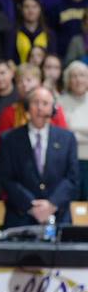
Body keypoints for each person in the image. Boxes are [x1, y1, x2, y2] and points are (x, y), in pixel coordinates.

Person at [0, 86, 79, 227]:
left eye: (45, 103)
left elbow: (73, 178)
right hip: (20, 216)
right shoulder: (9, 138)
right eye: (36, 102)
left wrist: (52, 204)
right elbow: (6, 178)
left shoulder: (67, 138)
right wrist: (31, 205)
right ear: (27, 107)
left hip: (58, 216)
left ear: (53, 108)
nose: (40, 107)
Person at [58, 61, 88, 200]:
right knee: (72, 204)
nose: (78, 80)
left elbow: (69, 134)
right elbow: (60, 134)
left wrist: (74, 134)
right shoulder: (59, 102)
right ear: (68, 81)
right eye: (74, 76)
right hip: (68, 162)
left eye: (82, 75)